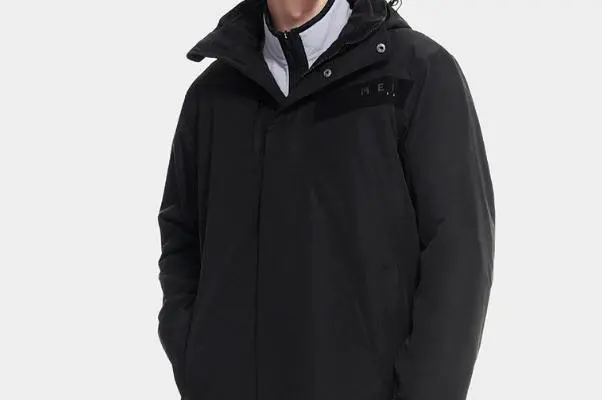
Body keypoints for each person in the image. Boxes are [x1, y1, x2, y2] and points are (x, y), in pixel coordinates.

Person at [157, 0, 495, 399]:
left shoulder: (415, 74)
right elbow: (181, 242)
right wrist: (197, 362)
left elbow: (458, 255)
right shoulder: (211, 97)